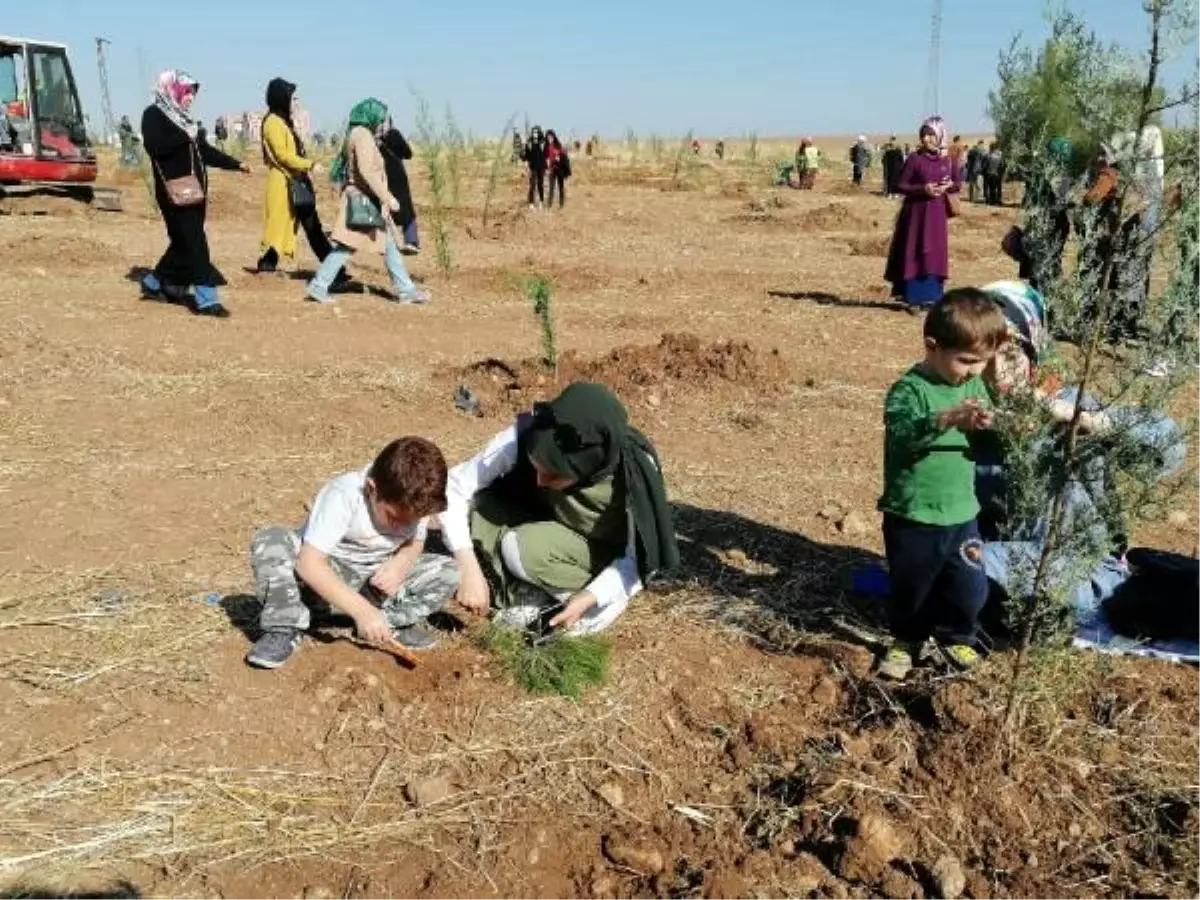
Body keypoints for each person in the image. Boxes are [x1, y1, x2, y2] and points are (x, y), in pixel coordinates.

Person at [442, 383, 679, 636]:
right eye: (536, 467)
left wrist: (592, 596)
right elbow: (454, 487)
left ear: (588, 467)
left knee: (521, 547)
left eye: (553, 475)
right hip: (547, 521)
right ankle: (530, 595)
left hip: (599, 554)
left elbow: (638, 557)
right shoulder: (531, 431)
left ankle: (588, 612)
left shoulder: (633, 473)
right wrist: (468, 567)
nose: (539, 482)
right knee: (478, 507)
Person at [876, 290, 1009, 681]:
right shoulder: (909, 390)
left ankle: (956, 635)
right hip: (914, 513)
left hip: (962, 512)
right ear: (932, 346)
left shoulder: (974, 387)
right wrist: (947, 418)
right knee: (912, 586)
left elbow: (983, 444)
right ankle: (906, 639)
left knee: (969, 586)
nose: (973, 371)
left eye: (981, 362)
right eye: (966, 360)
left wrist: (989, 428)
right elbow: (903, 435)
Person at [245, 437, 460, 670]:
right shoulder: (344, 495)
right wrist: (362, 610)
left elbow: (416, 543)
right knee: (271, 540)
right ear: (371, 489)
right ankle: (284, 627)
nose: (400, 527)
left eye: (412, 520)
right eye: (394, 517)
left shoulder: (415, 499)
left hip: (373, 584)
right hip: (323, 583)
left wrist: (401, 563)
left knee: (450, 572)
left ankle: (385, 625)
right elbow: (309, 564)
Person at [139, 70, 250, 319]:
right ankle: (207, 300)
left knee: (183, 243)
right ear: (172, 89)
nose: (190, 97)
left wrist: (236, 164)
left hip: (195, 193)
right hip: (173, 193)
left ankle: (154, 283)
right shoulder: (154, 115)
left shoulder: (184, 120)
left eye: (192, 93)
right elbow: (155, 146)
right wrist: (184, 136)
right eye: (186, 91)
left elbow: (206, 152)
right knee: (196, 244)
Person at [306, 98, 428, 305]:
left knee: (387, 246)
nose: (382, 122)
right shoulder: (362, 136)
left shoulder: (359, 134)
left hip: (366, 200)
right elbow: (367, 171)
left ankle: (406, 290)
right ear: (370, 116)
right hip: (364, 202)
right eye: (380, 118)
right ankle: (319, 285)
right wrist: (387, 197)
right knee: (347, 247)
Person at [255, 77, 337, 275]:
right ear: (280, 98)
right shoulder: (273, 122)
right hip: (283, 183)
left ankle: (334, 270)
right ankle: (334, 270)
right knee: (281, 227)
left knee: (312, 227)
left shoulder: (283, 121)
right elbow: (282, 155)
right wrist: (309, 165)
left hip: (295, 181)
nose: (296, 103)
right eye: (293, 99)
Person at [884, 116, 961, 309]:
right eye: (923, 135)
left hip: (936, 215)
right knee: (915, 249)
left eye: (931, 135)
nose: (926, 139)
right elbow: (900, 185)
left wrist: (948, 186)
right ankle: (913, 298)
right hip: (915, 214)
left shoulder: (948, 160)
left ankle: (932, 298)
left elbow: (957, 184)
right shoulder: (914, 159)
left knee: (934, 252)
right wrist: (922, 189)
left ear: (941, 136)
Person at [379, 117, 420, 253]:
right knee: (406, 210)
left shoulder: (369, 137)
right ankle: (411, 241)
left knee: (385, 208)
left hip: (380, 177)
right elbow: (408, 153)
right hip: (396, 175)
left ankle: (385, 243)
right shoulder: (393, 134)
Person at [546, 129, 571, 209]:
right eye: (548, 137)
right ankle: (549, 205)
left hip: (559, 170)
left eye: (551, 137)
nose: (549, 139)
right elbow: (546, 158)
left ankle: (561, 204)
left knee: (561, 187)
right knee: (551, 188)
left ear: (554, 137)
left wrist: (559, 159)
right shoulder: (547, 147)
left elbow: (562, 157)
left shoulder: (558, 146)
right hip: (552, 170)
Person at [524, 125, 548, 208]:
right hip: (533, 166)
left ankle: (541, 202)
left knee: (540, 184)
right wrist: (526, 164)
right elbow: (526, 155)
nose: (535, 134)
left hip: (541, 166)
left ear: (539, 133)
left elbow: (546, 154)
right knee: (532, 184)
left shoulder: (543, 142)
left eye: (536, 132)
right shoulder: (529, 143)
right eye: (534, 132)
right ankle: (531, 203)